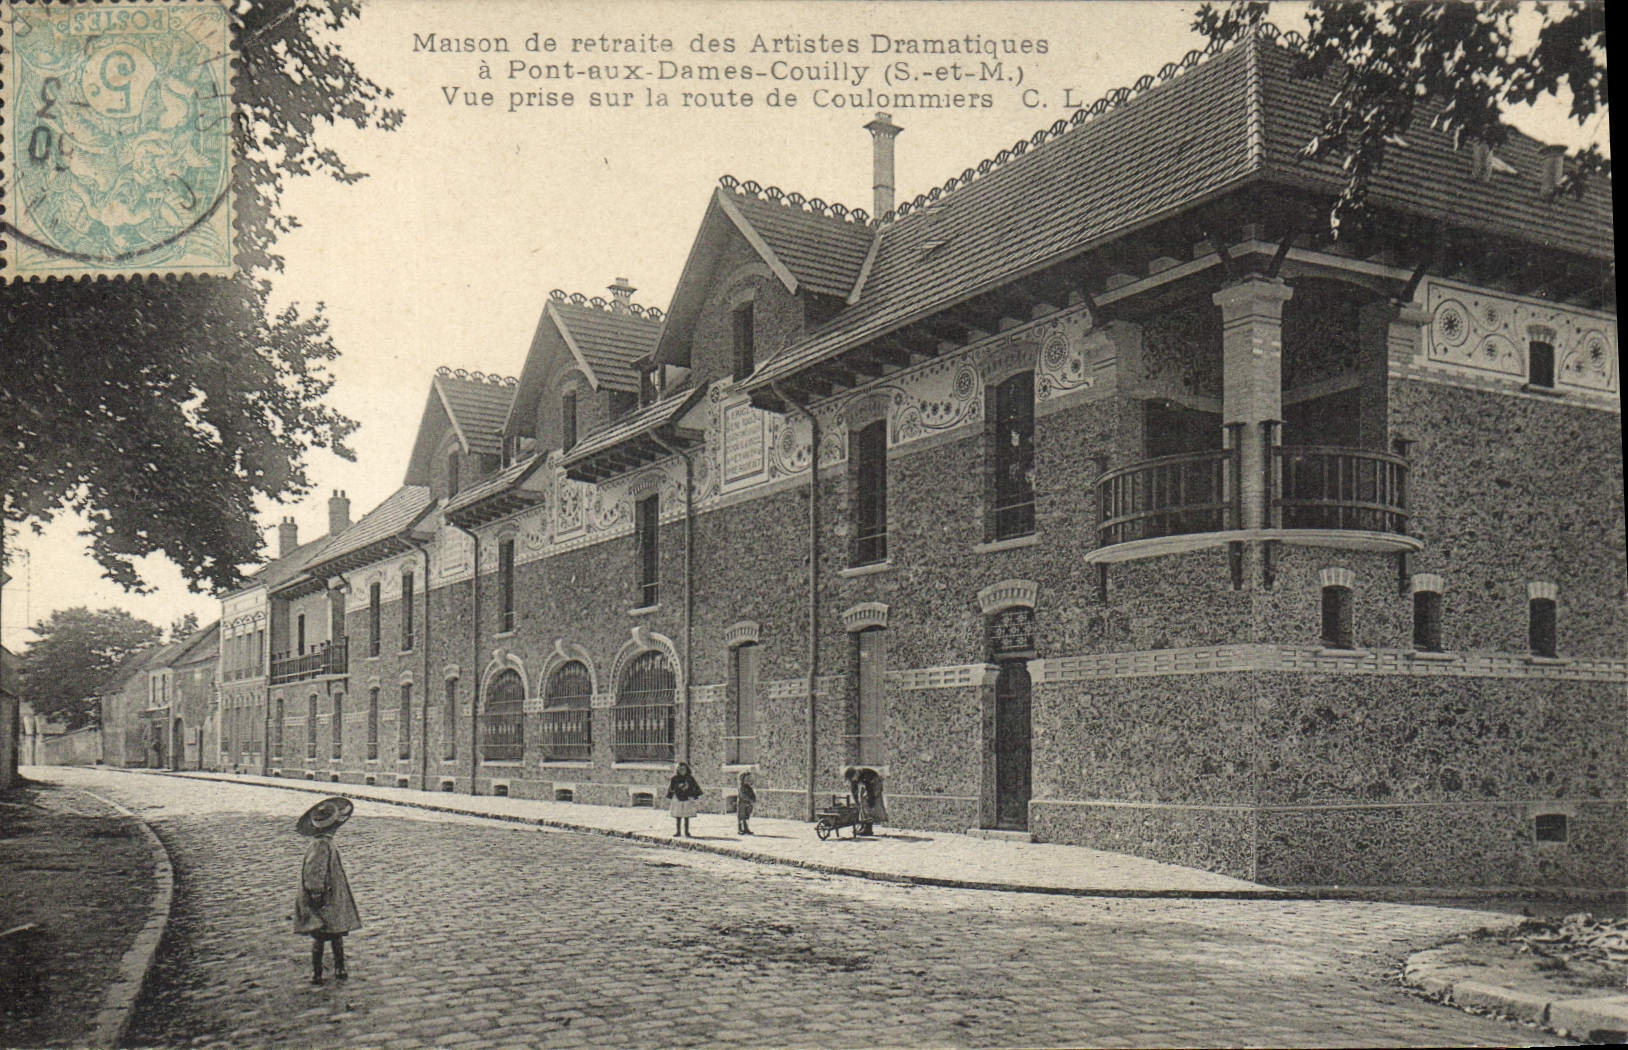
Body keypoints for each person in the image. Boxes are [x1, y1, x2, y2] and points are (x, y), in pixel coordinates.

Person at [292, 796, 361, 985]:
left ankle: (338, 967)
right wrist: (315, 893)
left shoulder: (324, 842)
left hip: (331, 897)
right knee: (322, 936)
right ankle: (319, 972)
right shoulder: (321, 845)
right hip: (324, 898)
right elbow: (314, 871)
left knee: (334, 934)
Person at [845, 765, 888, 836]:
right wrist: (857, 802)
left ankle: (868, 829)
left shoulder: (865, 775)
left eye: (853, 778)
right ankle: (863, 825)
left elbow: (870, 789)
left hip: (875, 783)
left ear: (856, 774)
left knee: (867, 803)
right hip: (867, 785)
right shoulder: (854, 778)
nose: (853, 780)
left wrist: (871, 799)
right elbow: (854, 790)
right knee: (862, 802)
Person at [666, 762, 702, 837]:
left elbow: (695, 787)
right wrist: (672, 792)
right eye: (680, 769)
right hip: (678, 799)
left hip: (687, 799)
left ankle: (686, 832)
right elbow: (671, 788)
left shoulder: (690, 778)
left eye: (683, 769)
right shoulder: (675, 779)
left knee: (686, 816)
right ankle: (678, 832)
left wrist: (694, 795)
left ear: (687, 770)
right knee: (678, 816)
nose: (682, 771)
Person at [736, 771, 756, 836]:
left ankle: (746, 828)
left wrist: (753, 798)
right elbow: (742, 795)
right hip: (742, 803)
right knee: (741, 816)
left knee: (747, 816)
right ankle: (740, 829)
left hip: (748, 803)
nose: (748, 779)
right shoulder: (741, 787)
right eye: (746, 778)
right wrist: (749, 799)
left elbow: (752, 793)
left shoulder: (748, 786)